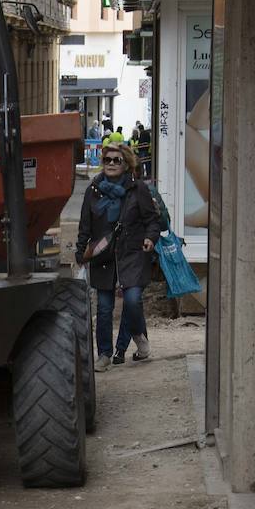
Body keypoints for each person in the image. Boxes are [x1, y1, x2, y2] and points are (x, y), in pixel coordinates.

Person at [75, 142, 163, 370]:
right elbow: (85, 224)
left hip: (132, 253)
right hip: (103, 256)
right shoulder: (93, 190)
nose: (111, 164)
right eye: (107, 160)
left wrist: (150, 238)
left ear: (126, 164)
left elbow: (153, 220)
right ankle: (104, 354)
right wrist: (80, 250)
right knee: (104, 308)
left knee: (132, 300)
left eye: (116, 160)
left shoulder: (138, 189)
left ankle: (136, 336)